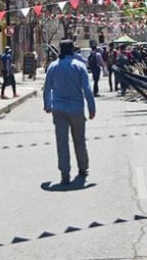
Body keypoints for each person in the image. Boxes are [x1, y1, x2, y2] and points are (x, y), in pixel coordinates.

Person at [43, 39, 96, 185]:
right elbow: (87, 89)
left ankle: (64, 173)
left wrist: (47, 104)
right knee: (79, 141)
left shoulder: (53, 67)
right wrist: (92, 108)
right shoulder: (79, 66)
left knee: (62, 142)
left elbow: (47, 88)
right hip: (76, 109)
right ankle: (83, 169)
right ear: (72, 50)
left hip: (58, 109)